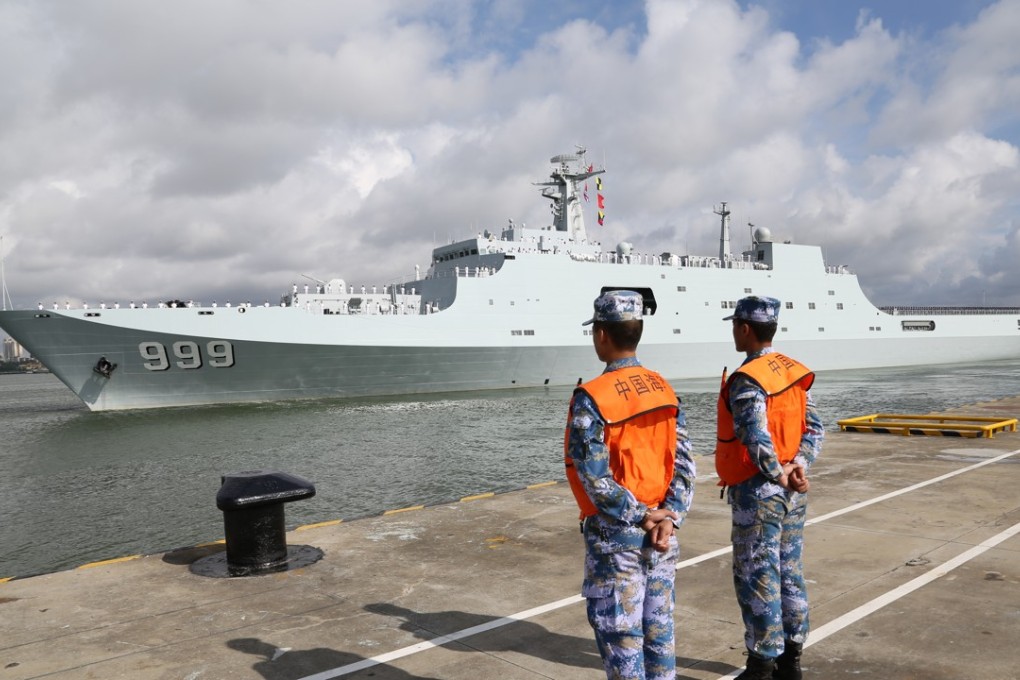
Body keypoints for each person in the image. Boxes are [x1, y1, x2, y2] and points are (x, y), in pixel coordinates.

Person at [564, 289, 696, 680]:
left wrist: (641, 516)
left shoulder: (593, 397)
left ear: (602, 334)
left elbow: (595, 477)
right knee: (659, 638)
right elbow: (685, 465)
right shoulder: (663, 389)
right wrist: (669, 517)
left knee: (623, 643)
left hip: (617, 542)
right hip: (663, 538)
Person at [715, 296, 824, 680]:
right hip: (793, 492)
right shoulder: (792, 371)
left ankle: (761, 664)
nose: (733, 332)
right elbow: (815, 428)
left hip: (759, 496)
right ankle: (790, 661)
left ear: (745, 329)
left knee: (757, 576)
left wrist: (778, 473)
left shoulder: (749, 378)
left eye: (734, 325)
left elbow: (755, 436)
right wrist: (798, 466)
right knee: (789, 572)